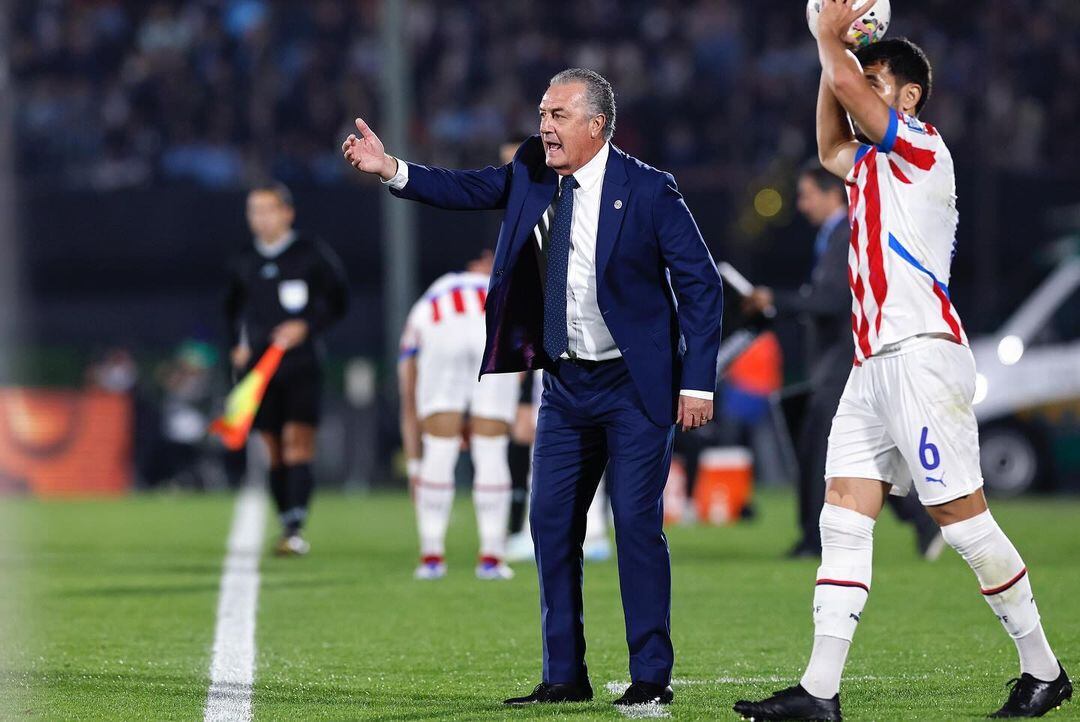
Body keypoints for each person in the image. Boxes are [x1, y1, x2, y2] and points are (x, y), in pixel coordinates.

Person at [343, 67, 723, 708]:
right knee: (549, 524)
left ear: (597, 126)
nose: (544, 126)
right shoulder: (531, 175)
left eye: (559, 115)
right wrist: (392, 169)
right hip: (568, 386)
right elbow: (465, 189)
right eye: (542, 113)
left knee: (634, 524)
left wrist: (699, 384)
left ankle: (651, 676)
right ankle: (563, 677)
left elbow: (701, 285)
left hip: (635, 385)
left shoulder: (651, 190)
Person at [735, 4, 1070, 720]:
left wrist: (832, 42)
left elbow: (851, 97)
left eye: (874, 78)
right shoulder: (867, 163)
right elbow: (829, 141)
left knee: (963, 523)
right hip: (871, 365)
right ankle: (820, 692)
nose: (858, 83)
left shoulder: (920, 145)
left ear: (909, 96)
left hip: (920, 357)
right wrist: (831, 53)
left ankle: (1045, 670)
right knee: (843, 515)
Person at [746, 162, 943, 561]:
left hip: (844, 362)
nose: (801, 205)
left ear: (831, 194)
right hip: (841, 362)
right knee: (865, 451)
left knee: (821, 448)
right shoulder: (838, 235)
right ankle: (922, 521)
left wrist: (776, 301)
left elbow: (832, 301)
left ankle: (815, 541)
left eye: (805, 195)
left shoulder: (848, 233)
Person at [224, 182, 348, 556]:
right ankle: (285, 522)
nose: (259, 218)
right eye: (253, 211)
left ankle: (295, 527)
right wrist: (235, 347)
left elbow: (338, 298)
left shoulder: (310, 254)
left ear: (287, 213)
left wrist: (307, 326)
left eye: (267, 209)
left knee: (298, 442)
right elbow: (230, 310)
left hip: (300, 364)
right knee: (273, 448)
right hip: (260, 370)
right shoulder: (243, 259)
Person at [398, 250, 517, 581]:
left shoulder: (434, 294)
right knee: (491, 450)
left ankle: (432, 556)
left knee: (439, 447)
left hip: (440, 328)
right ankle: (492, 557)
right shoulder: (504, 289)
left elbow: (408, 396)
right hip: (494, 325)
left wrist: (413, 467)